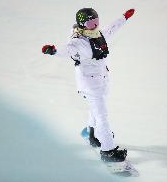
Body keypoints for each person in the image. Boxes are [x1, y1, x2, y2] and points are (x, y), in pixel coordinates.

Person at [42, 8, 135, 162]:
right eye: (91, 23)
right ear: (82, 24)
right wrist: (54, 51)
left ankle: (92, 134)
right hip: (90, 84)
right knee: (102, 117)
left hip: (101, 79)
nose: (95, 25)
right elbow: (67, 50)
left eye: (96, 21)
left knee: (95, 112)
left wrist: (124, 17)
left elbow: (111, 28)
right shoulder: (78, 42)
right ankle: (108, 150)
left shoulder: (97, 34)